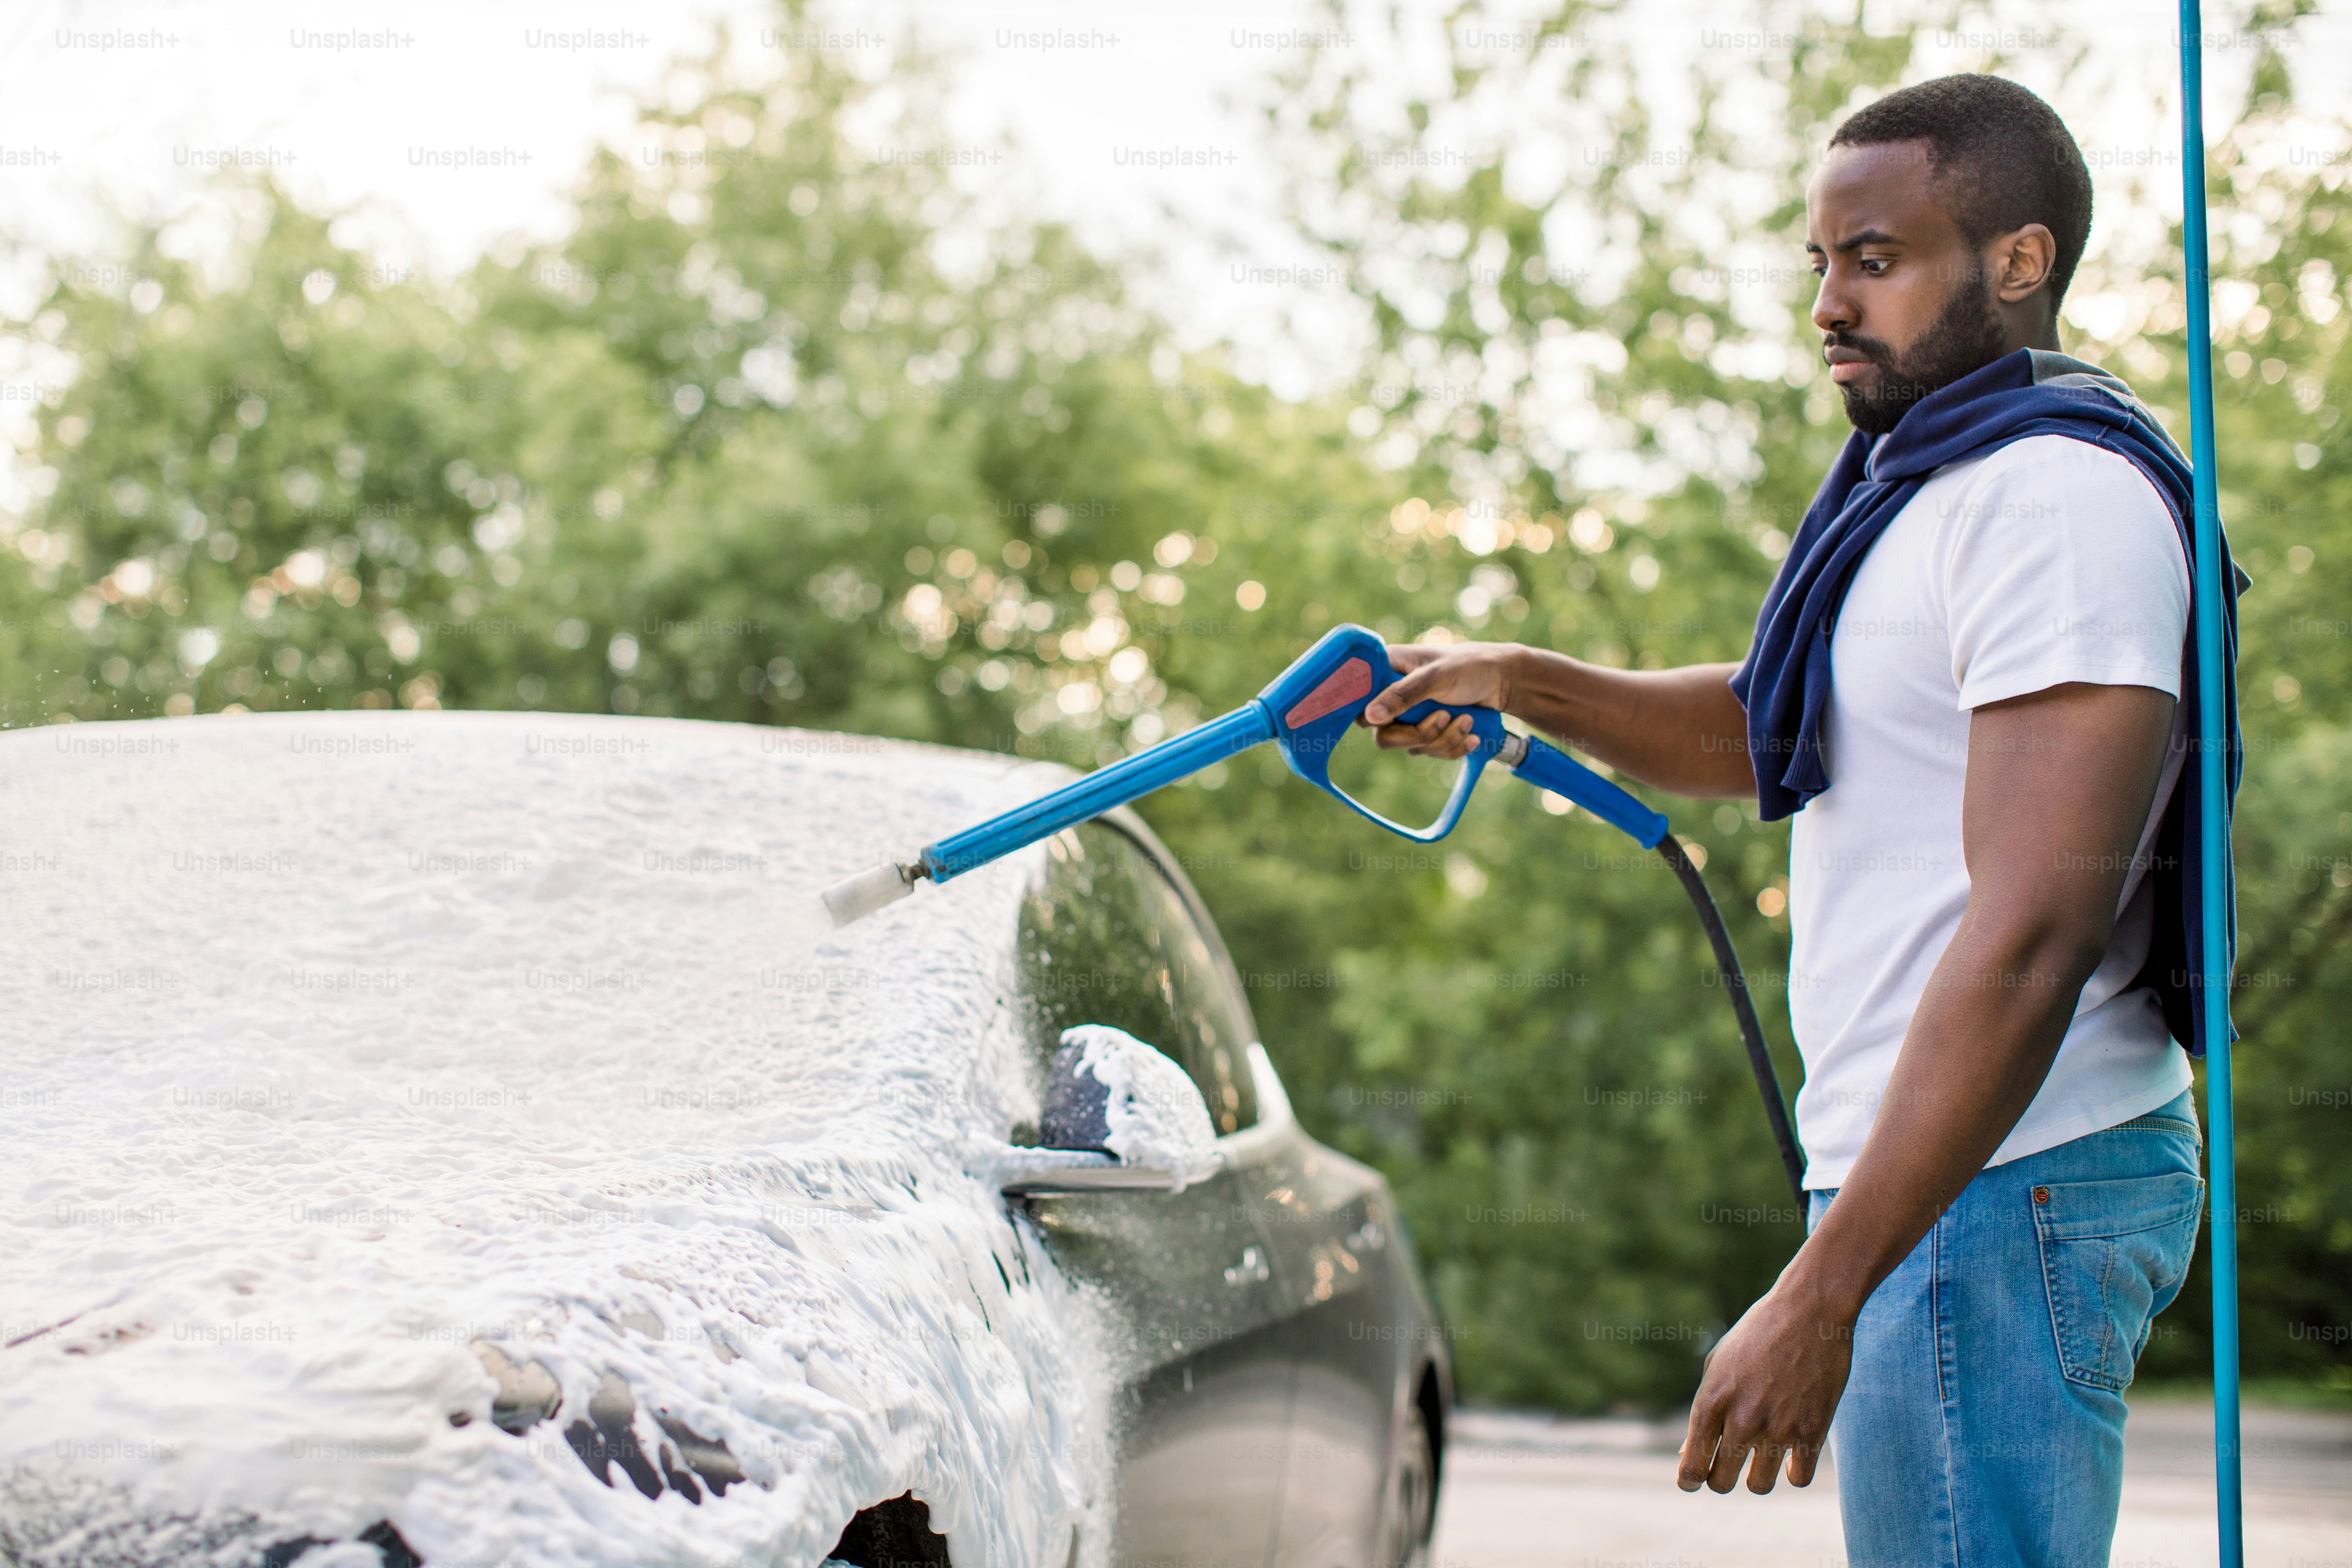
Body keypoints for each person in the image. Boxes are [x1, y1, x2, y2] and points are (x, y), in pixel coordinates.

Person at [1362, 73, 2237, 1568]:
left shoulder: (2051, 501)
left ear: (2017, 262)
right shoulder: (1933, 485)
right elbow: (1782, 729)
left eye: (1875, 259)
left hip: (2000, 1182)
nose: (1830, 302)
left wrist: (1820, 1290)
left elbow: (2032, 931)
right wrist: (1520, 681)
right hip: (1949, 1185)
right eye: (1820, 263)